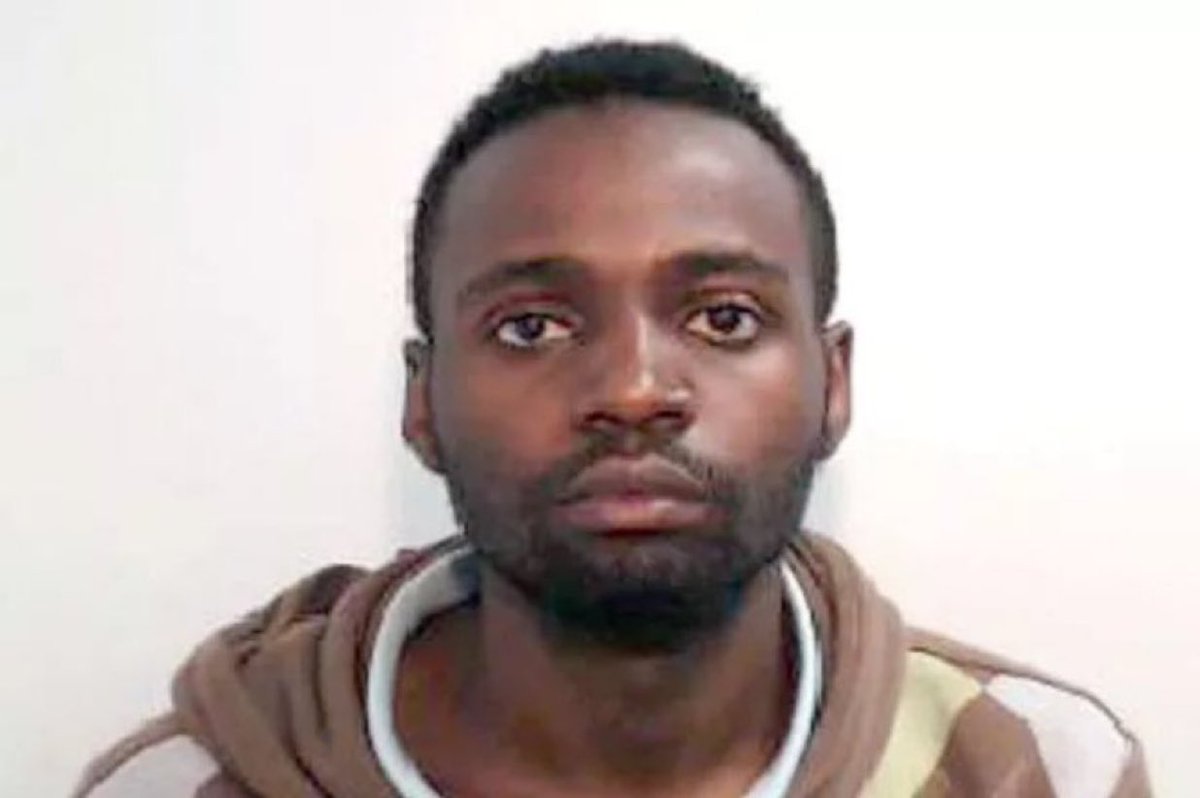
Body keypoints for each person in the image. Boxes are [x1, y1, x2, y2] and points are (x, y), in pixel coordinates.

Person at [76, 39, 1150, 798]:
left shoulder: (1041, 771)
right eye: (533, 326)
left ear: (832, 383)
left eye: (724, 318)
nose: (635, 388)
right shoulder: (181, 788)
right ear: (423, 401)